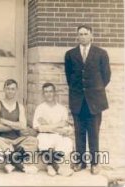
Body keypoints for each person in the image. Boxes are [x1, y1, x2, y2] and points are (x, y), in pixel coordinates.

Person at [65, 24, 111, 174]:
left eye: (86, 34)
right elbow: (69, 77)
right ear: (77, 36)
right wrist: (79, 91)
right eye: (80, 34)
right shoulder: (70, 54)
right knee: (79, 133)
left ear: (91, 36)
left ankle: (94, 164)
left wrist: (94, 89)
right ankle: (80, 162)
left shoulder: (101, 53)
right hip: (77, 100)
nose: (83, 36)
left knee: (93, 133)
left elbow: (106, 76)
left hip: (95, 101)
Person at [0, 79, 38, 174]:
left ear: (16, 90)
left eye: (13, 89)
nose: (10, 91)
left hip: (18, 139)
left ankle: (11, 162)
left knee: (33, 140)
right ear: (4, 89)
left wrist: (5, 121)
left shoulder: (20, 106)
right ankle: (21, 166)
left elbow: (23, 125)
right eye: (8, 88)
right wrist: (15, 125)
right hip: (3, 139)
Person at [33, 83, 74, 177]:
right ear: (43, 94)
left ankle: (52, 164)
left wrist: (47, 126)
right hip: (45, 135)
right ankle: (54, 167)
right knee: (43, 141)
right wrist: (58, 125)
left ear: (54, 92)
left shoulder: (62, 109)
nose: (49, 94)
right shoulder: (40, 108)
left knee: (67, 142)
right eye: (46, 92)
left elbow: (66, 129)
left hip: (58, 135)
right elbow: (38, 127)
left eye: (51, 91)